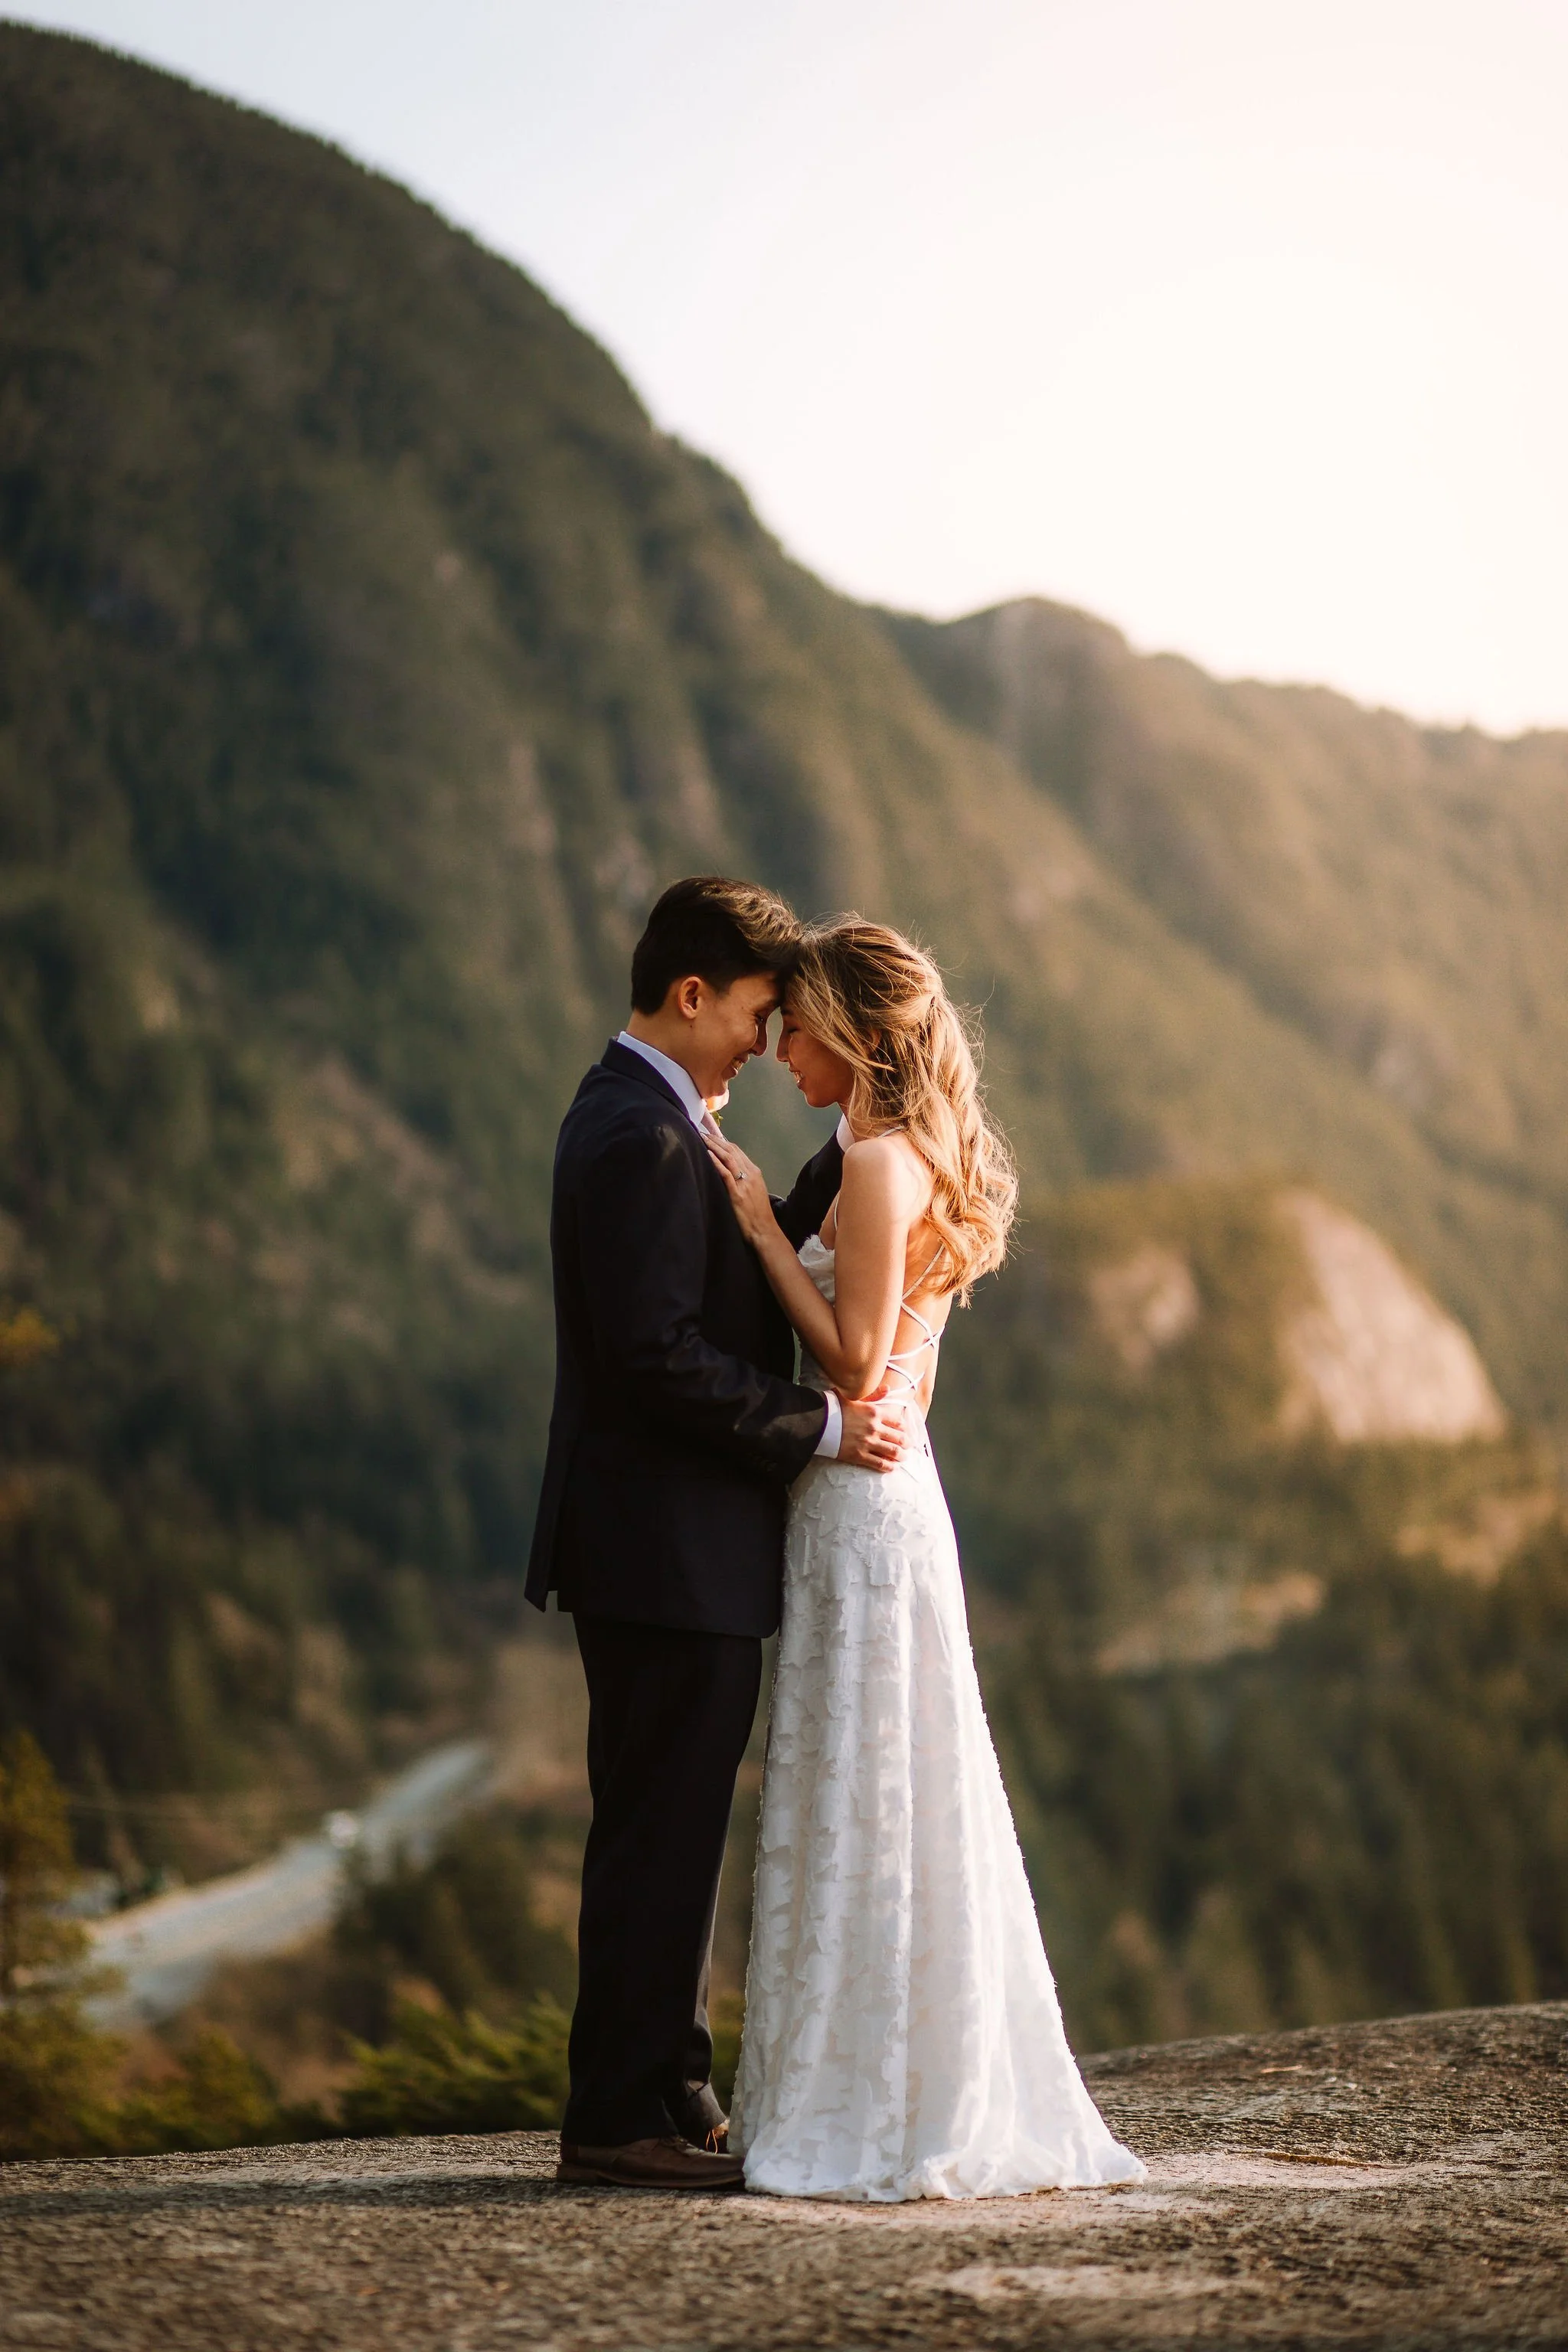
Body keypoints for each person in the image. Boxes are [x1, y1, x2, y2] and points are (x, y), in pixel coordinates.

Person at [706, 918, 1145, 2200]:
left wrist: (758, 1230)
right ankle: (869, 2081)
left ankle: (872, 2101)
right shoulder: (891, 1154)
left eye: (799, 1027)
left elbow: (853, 1365)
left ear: (852, 1030)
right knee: (875, 1777)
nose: (783, 1049)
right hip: (877, 1496)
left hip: (863, 1508)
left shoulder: (884, 1167)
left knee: (869, 1780)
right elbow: (902, 1376)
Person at [524, 877, 910, 2191]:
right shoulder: (634, 1134)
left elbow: (726, 1271)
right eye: (754, 1014)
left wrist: (858, 1133)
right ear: (691, 996)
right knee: (655, 1832)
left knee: (674, 1826)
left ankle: (672, 2081)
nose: (763, 1039)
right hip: (659, 1549)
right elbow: (656, 1359)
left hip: (674, 1547)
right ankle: (616, 2120)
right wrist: (815, 1431)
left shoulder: (658, 1119)